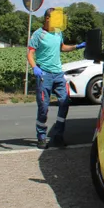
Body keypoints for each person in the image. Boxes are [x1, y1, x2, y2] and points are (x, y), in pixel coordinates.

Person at [27, 8, 85, 149]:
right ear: (47, 19)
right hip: (44, 74)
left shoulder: (58, 32)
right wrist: (35, 67)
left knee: (64, 103)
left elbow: (62, 47)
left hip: (58, 74)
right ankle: (41, 137)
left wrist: (77, 46)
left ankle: (58, 135)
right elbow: (30, 53)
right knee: (43, 107)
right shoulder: (38, 35)